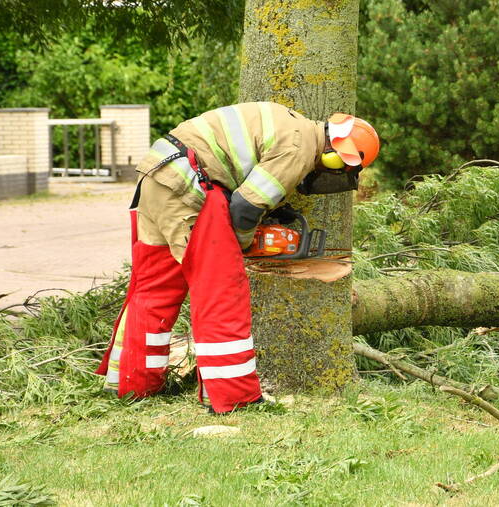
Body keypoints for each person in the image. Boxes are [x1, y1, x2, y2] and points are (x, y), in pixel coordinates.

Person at [96, 103, 380, 413]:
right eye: (341, 168)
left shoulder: (291, 123)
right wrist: (243, 244)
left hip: (158, 176)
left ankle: (133, 384)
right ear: (335, 155)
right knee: (222, 290)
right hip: (192, 188)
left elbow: (245, 182)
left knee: (155, 288)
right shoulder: (300, 146)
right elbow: (245, 206)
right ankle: (234, 395)